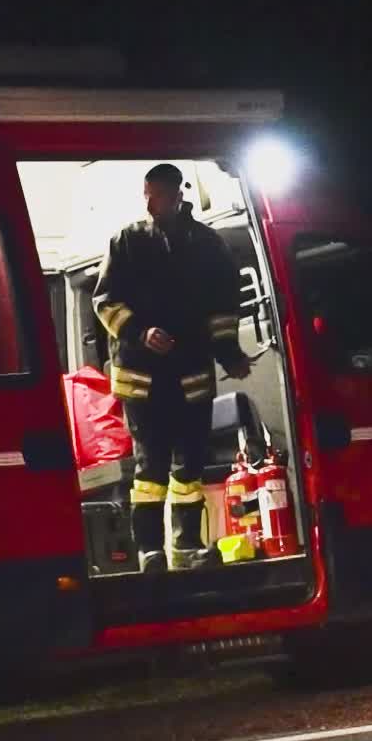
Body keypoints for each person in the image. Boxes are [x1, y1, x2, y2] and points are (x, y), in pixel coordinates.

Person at [93, 163, 251, 572]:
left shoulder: (208, 246)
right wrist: (141, 332)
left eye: (156, 194)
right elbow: (105, 302)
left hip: (192, 375)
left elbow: (223, 310)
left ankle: (186, 545)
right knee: (149, 469)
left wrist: (229, 353)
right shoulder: (126, 242)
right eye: (145, 194)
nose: (148, 202)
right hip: (142, 381)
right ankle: (150, 550)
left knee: (190, 465)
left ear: (177, 193)